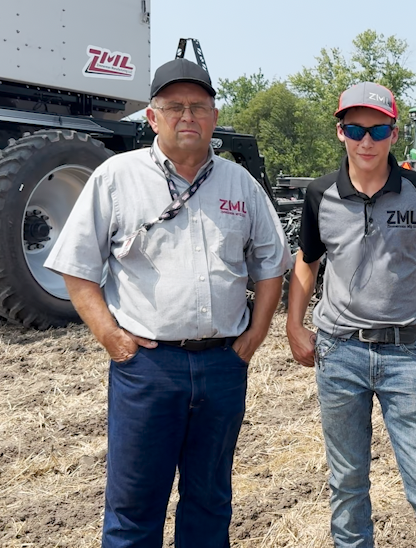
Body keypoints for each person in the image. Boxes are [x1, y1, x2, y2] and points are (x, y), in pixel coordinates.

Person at [44, 58, 290, 547]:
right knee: (135, 506)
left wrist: (255, 336)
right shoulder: (117, 177)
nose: (188, 117)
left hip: (223, 366)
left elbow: (271, 265)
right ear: (152, 117)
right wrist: (113, 339)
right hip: (148, 368)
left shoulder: (240, 185)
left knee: (210, 499)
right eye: (173, 106)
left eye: (199, 106)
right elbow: (78, 266)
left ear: (215, 117)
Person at [286, 82, 416, 548]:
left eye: (377, 129)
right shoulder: (321, 194)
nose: (365, 141)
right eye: (355, 129)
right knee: (347, 485)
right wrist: (294, 324)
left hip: (404, 356)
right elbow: (306, 262)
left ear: (394, 133)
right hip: (338, 353)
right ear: (340, 132)